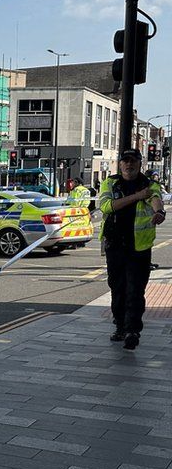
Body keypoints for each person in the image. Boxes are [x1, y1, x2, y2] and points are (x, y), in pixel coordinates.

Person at [99, 149, 166, 350]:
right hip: (115, 245)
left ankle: (132, 330)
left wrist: (159, 211)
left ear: (140, 163)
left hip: (139, 247)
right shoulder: (111, 183)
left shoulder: (149, 184)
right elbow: (107, 206)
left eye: (133, 161)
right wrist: (137, 196)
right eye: (125, 161)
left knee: (135, 290)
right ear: (120, 164)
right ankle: (120, 326)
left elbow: (155, 198)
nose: (129, 165)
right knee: (117, 288)